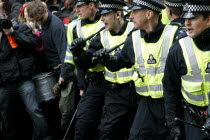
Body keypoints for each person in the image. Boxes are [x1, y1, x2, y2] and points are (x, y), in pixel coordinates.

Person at [93, 0, 180, 139]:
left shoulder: (176, 35)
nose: (131, 16)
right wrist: (107, 59)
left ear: (149, 14)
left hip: (172, 104)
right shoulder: (133, 38)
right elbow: (120, 62)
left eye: (135, 12)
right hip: (147, 104)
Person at [71, 0, 138, 139]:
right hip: (114, 93)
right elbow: (88, 63)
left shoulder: (135, 30)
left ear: (118, 14)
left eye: (105, 15)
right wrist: (78, 53)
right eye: (100, 14)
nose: (101, 19)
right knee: (106, 132)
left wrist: (108, 60)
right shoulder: (102, 34)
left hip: (137, 92)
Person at [0, 5, 52, 140]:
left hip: (23, 80)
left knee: (34, 109)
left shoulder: (20, 28)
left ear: (6, 16)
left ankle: (46, 137)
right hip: (4, 84)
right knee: (7, 115)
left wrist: (13, 33)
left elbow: (32, 43)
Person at [27, 0, 77, 139]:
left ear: (45, 11)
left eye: (41, 19)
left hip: (61, 70)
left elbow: (64, 53)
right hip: (53, 69)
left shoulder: (55, 26)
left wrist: (62, 78)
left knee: (65, 111)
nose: (40, 23)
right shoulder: (44, 23)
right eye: (37, 21)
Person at [163, 0, 210, 140]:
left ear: (208, 20)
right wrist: (173, 123)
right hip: (193, 120)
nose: (187, 23)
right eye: (185, 17)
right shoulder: (178, 49)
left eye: (193, 18)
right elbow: (170, 88)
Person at [64, 0, 105, 139]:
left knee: (106, 127)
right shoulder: (73, 26)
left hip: (112, 79)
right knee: (83, 123)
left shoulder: (106, 21)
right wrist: (81, 85)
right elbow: (71, 58)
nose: (77, 9)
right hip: (91, 80)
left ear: (91, 5)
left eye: (80, 6)